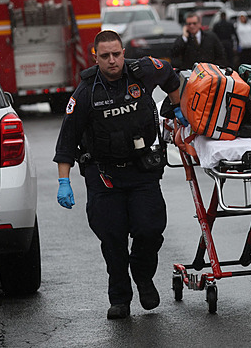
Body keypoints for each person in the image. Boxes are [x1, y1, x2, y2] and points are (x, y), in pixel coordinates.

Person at [54, 30, 186, 320]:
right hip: (104, 176)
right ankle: (120, 298)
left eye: (116, 54)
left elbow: (171, 78)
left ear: (123, 52)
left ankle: (143, 275)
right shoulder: (86, 93)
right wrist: (64, 182)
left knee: (149, 230)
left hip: (141, 170)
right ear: (95, 57)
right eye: (105, 56)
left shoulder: (143, 71)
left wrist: (178, 108)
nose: (112, 60)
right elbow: (66, 143)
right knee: (112, 239)